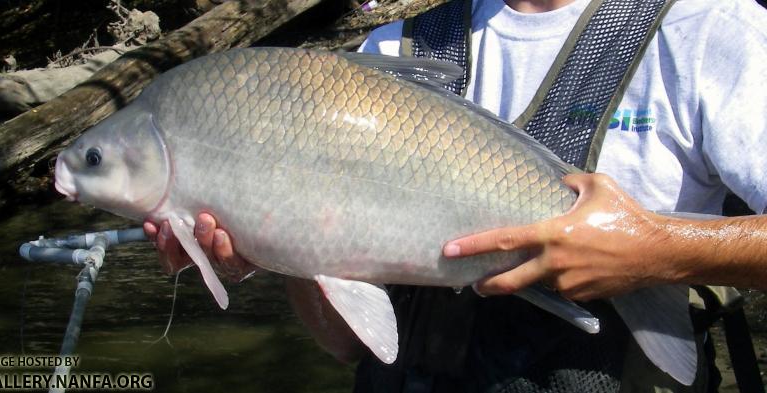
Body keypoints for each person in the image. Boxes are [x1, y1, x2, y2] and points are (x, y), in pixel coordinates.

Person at [145, 0, 767, 390]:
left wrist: (656, 251)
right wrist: (278, 243)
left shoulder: (709, 32)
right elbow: (342, 344)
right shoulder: (389, 53)